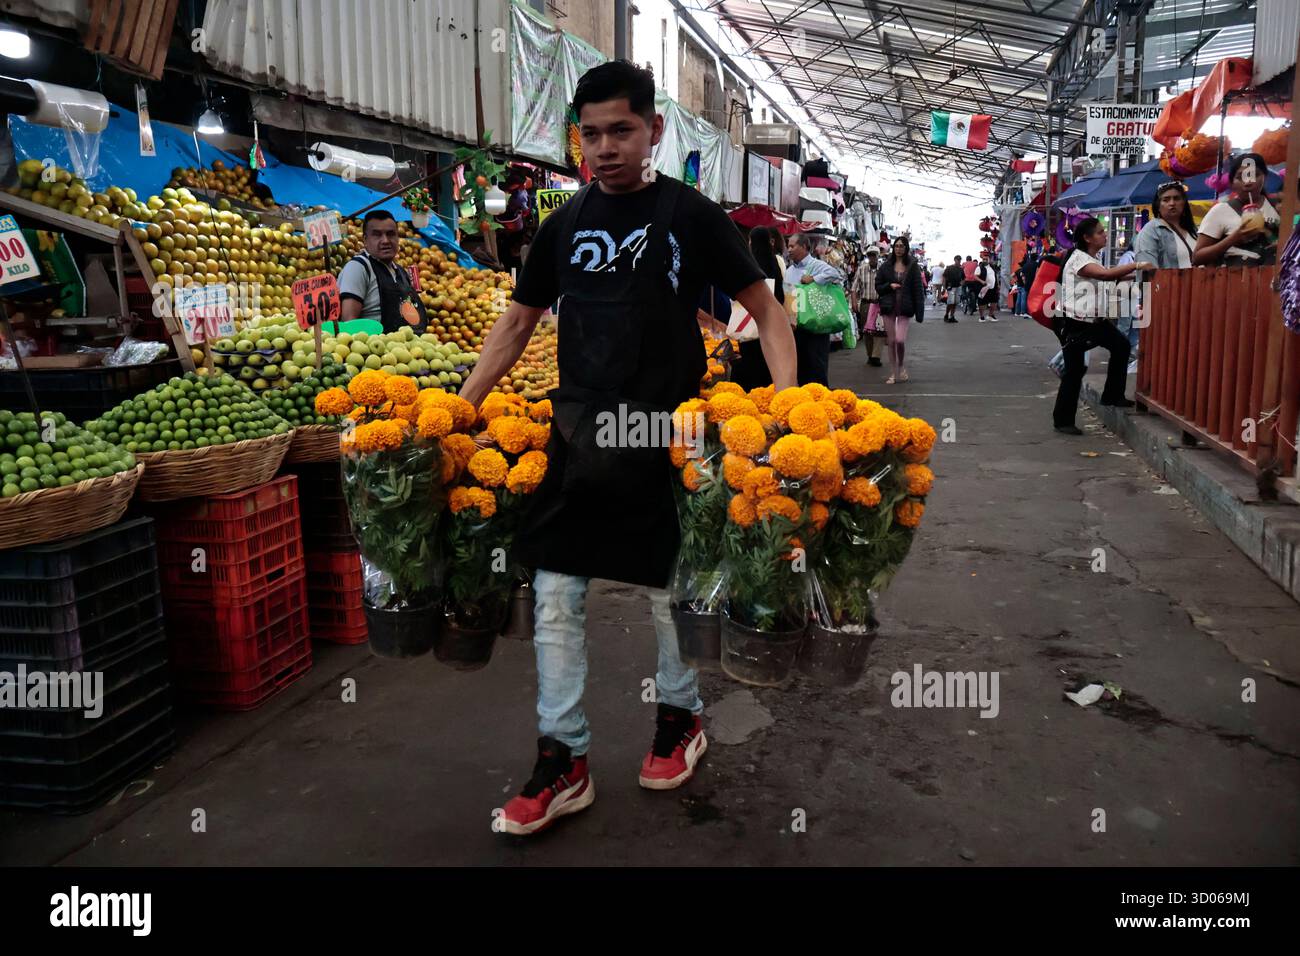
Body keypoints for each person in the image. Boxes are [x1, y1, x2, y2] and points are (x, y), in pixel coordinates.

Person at [460, 60, 798, 837]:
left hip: (668, 434)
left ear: (652, 130)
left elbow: (765, 311)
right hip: (578, 431)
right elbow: (516, 324)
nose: (606, 147)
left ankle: (678, 719)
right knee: (553, 595)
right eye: (592, 133)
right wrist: (459, 408)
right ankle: (562, 757)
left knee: (666, 591)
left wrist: (784, 405)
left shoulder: (690, 215)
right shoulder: (562, 225)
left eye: (621, 130)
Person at [1052, 217, 1154, 435]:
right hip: (1076, 323)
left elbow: (1107, 278)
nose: (1104, 234)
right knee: (1074, 371)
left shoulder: (1091, 257)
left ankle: (1113, 396)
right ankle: (1063, 420)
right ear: (1087, 237)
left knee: (1122, 347)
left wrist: (1136, 276)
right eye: (1099, 232)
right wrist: (1137, 265)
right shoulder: (1079, 259)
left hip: (1096, 321)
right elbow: (1104, 275)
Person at [338, 210, 430, 332]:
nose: (385, 240)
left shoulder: (401, 272)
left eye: (391, 234)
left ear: (398, 237)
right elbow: (349, 323)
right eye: (377, 235)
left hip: (406, 348)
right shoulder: (358, 267)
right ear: (365, 240)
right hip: (375, 348)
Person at [1193, 152, 1281, 267]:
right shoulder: (1220, 211)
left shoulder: (1280, 208)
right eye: (1240, 177)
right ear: (1232, 183)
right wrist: (1233, 239)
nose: (1248, 182)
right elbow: (1197, 258)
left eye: (1254, 175)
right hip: (1233, 282)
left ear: (1264, 177)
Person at [785, 232, 844, 386]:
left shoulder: (816, 265)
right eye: (788, 246)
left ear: (804, 247)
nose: (789, 249)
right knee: (801, 369)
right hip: (797, 326)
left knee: (817, 369)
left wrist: (813, 279)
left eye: (792, 246)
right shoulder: (789, 271)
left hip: (816, 327)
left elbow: (835, 274)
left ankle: (822, 402)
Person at [731, 227, 783, 390]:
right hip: (772, 326)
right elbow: (781, 296)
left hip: (749, 327)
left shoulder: (749, 264)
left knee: (749, 367)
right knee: (768, 365)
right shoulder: (776, 263)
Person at [875, 235, 925, 385]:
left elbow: (918, 289)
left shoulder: (913, 266)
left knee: (900, 340)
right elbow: (878, 286)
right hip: (888, 306)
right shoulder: (885, 266)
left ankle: (901, 366)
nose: (898, 249)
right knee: (891, 341)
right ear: (893, 248)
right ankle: (893, 372)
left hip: (905, 307)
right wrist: (889, 286)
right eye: (896, 246)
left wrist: (919, 311)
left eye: (901, 246)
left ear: (906, 248)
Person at [851, 248, 885, 366]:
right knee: (867, 331)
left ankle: (876, 356)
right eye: (870, 255)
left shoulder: (884, 270)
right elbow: (854, 288)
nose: (872, 257)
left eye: (874, 255)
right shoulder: (862, 269)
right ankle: (870, 355)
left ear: (878, 256)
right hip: (866, 303)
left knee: (879, 330)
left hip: (880, 304)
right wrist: (854, 302)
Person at [976, 253, 999, 322]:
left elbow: (995, 276)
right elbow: (975, 276)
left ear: (989, 260)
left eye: (986, 259)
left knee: (994, 302)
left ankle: (990, 315)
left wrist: (997, 285)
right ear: (982, 260)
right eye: (984, 259)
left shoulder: (992, 267)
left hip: (993, 287)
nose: (985, 260)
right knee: (982, 303)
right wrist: (981, 281)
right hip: (984, 287)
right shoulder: (979, 267)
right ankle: (981, 317)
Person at [942, 255, 964, 322]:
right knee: (951, 302)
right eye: (958, 260)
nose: (959, 261)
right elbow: (944, 277)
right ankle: (946, 315)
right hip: (951, 288)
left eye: (960, 260)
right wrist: (944, 287)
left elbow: (964, 278)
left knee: (956, 302)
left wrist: (962, 283)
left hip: (958, 287)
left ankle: (952, 316)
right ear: (955, 260)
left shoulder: (961, 269)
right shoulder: (949, 268)